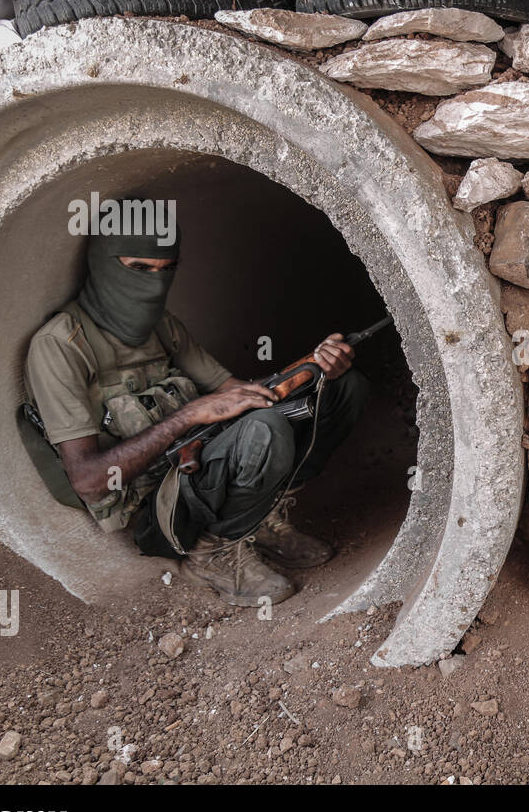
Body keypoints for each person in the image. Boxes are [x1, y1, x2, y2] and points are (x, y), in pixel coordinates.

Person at [23, 210, 369, 606]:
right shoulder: (61, 346)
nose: (153, 284)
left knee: (341, 390)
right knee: (265, 428)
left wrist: (313, 367)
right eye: (138, 268)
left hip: (200, 465)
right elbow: (88, 480)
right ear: (103, 264)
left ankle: (260, 519)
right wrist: (190, 414)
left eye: (166, 269)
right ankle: (211, 553)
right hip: (155, 509)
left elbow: (240, 393)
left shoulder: (161, 326)